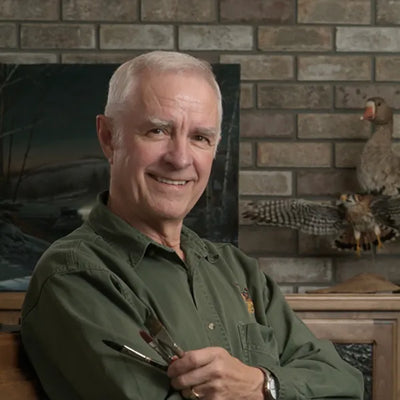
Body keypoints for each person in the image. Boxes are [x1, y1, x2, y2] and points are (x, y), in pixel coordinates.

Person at [21, 51, 363, 400]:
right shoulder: (75, 275)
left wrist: (263, 384)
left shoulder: (236, 270)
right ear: (109, 137)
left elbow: (345, 382)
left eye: (200, 137)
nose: (180, 158)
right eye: (158, 130)